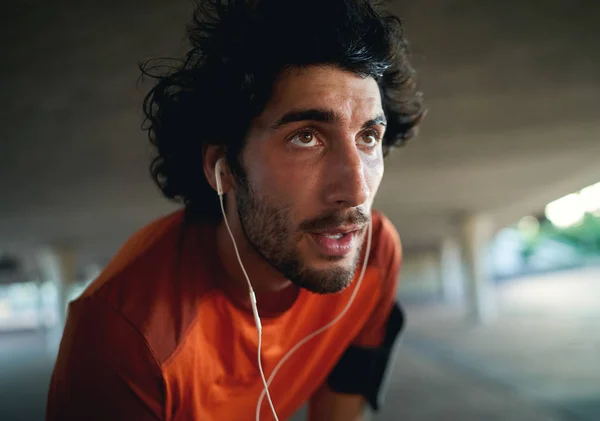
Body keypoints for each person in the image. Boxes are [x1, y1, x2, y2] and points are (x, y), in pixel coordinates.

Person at [46, 0, 425, 420]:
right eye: (306, 137)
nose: (356, 190)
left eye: (368, 137)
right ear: (221, 168)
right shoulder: (124, 336)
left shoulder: (373, 252)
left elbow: (344, 396)